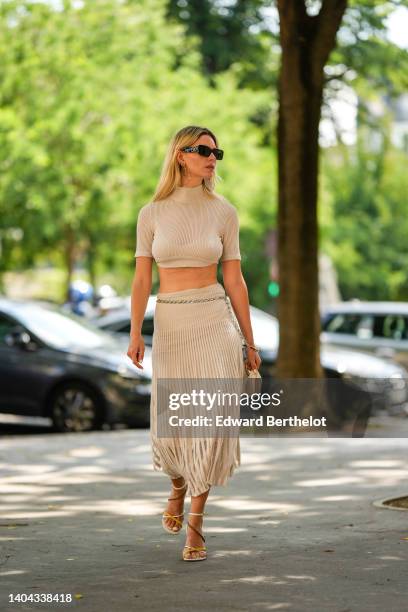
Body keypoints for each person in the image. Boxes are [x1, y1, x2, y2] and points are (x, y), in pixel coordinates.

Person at [127, 125, 261, 562]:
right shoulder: (151, 213)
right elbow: (142, 278)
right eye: (203, 150)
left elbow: (235, 280)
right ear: (180, 155)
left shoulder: (224, 212)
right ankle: (177, 482)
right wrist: (134, 332)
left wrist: (249, 339)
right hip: (172, 322)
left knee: (210, 419)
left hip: (215, 320)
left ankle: (196, 525)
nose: (212, 157)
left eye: (216, 151)